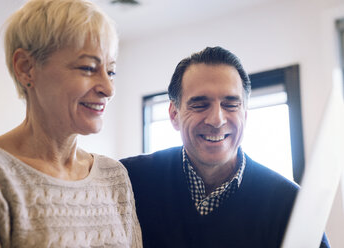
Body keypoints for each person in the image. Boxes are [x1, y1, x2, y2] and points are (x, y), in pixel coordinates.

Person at [121, 46, 329, 247]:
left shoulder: (292, 205)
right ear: (174, 115)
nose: (216, 120)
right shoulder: (128, 181)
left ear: (245, 116)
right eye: (200, 104)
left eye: (230, 104)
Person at [0, 0, 142, 247]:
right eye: (87, 68)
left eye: (111, 71)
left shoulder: (113, 176)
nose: (108, 88)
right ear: (26, 68)